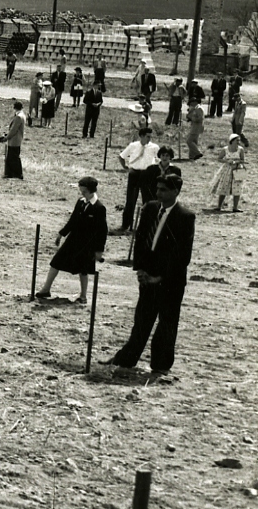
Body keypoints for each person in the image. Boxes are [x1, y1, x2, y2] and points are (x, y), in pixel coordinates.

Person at [108, 172, 194, 383]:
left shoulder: (185, 216)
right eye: (157, 189)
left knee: (166, 323)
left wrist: (161, 277)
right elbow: (141, 240)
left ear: (176, 191)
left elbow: (182, 255)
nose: (158, 193)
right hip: (147, 277)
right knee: (142, 320)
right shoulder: (150, 209)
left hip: (170, 282)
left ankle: (161, 365)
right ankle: (127, 359)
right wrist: (141, 269)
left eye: (163, 190)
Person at [36, 177, 108, 303]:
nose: (82, 193)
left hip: (87, 244)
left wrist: (99, 250)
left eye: (84, 191)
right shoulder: (80, 202)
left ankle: (83, 296)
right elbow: (72, 221)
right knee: (55, 262)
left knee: (83, 270)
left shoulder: (99, 208)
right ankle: (46, 289)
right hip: (72, 240)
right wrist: (61, 234)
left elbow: (102, 231)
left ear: (91, 191)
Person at [116, 128, 159, 231]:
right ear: (142, 136)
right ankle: (126, 225)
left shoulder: (154, 147)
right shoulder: (133, 146)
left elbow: (159, 160)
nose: (149, 138)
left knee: (148, 201)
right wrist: (126, 167)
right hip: (134, 174)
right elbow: (121, 156)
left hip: (147, 175)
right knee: (130, 200)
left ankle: (146, 226)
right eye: (147, 136)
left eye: (150, 136)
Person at [210, 132, 245, 211]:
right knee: (224, 186)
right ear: (232, 141)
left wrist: (237, 162)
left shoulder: (240, 149)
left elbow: (243, 160)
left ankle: (235, 207)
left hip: (238, 169)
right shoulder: (225, 149)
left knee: (238, 188)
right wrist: (227, 161)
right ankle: (219, 206)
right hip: (227, 170)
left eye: (239, 140)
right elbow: (219, 159)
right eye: (237, 140)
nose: (238, 142)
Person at [0, 100, 25, 179]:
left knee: (12, 158)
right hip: (16, 139)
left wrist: (6, 138)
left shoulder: (18, 117)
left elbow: (13, 130)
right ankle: (14, 174)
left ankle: (12, 174)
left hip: (14, 140)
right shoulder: (22, 115)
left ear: (14, 108)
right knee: (13, 157)